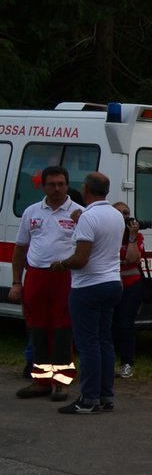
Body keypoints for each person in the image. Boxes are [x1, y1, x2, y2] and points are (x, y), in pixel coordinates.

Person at [53, 172, 125, 414]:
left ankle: (88, 398)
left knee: (88, 343)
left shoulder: (88, 217)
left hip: (88, 286)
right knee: (104, 339)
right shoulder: (116, 214)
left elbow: (81, 259)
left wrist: (62, 264)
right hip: (113, 282)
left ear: (85, 189)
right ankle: (105, 395)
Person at [10, 165, 77, 400]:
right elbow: (20, 250)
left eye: (61, 184)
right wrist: (17, 282)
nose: (57, 189)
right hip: (36, 277)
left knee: (61, 331)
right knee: (37, 329)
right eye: (52, 184)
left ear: (67, 185)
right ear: (43, 186)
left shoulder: (78, 213)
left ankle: (61, 382)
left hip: (65, 278)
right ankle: (41, 381)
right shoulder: (31, 212)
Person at [111, 202, 144, 380]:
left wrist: (131, 237)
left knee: (125, 323)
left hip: (131, 284)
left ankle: (127, 363)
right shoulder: (107, 234)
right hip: (110, 283)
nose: (124, 217)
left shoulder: (136, 237)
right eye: (119, 213)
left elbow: (133, 258)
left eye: (127, 213)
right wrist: (122, 261)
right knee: (108, 324)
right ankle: (108, 362)